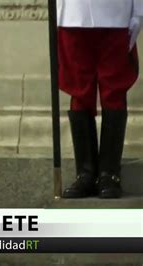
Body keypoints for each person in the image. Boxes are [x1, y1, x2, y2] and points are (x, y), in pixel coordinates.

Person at [57, 0, 142, 198]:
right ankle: (85, 173)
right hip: (72, 13)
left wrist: (138, 10)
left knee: (113, 91)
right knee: (79, 90)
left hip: (116, 12)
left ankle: (109, 173)